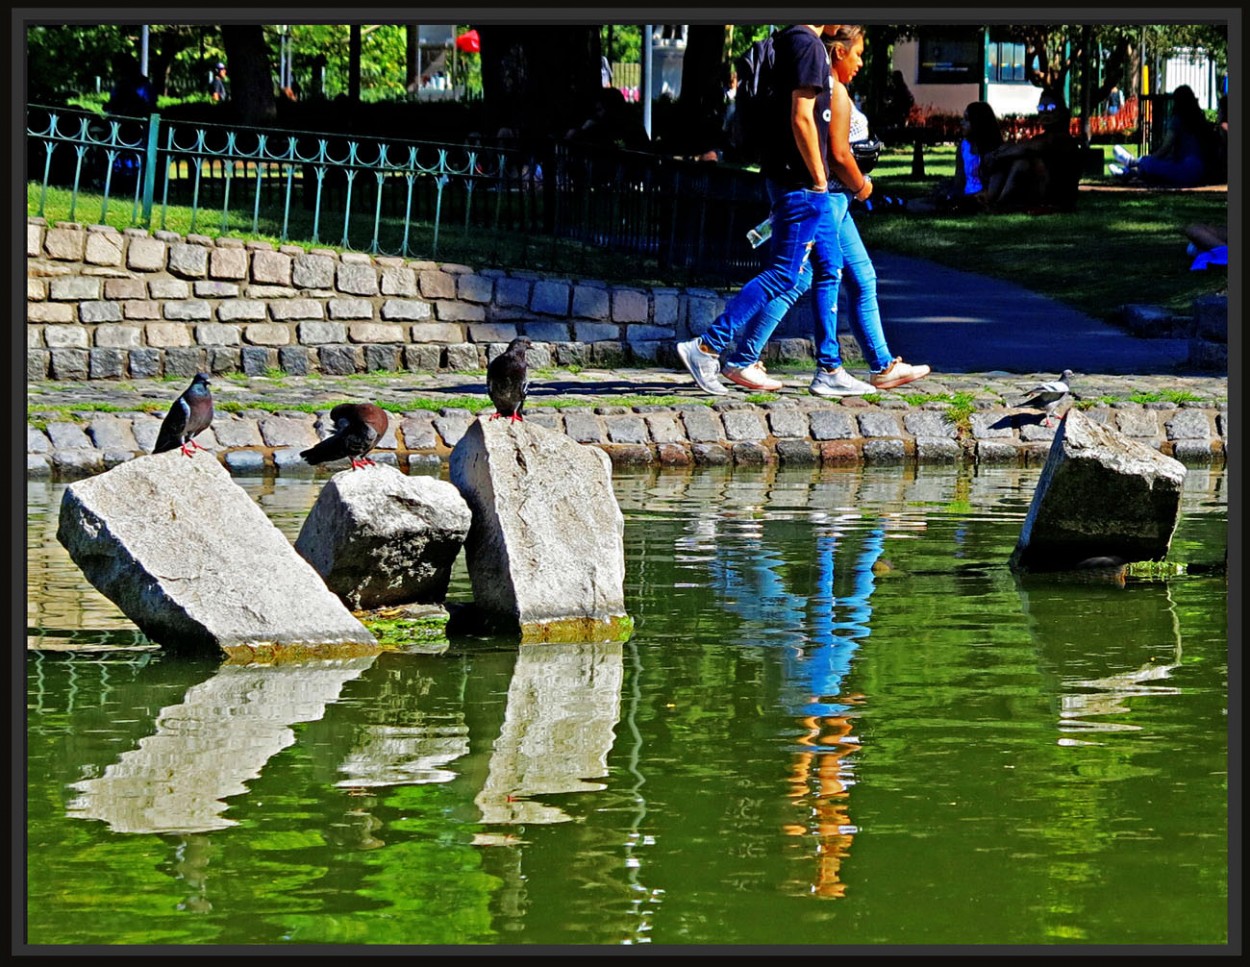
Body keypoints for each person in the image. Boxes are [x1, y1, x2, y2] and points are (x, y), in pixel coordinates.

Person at [721, 24, 930, 396]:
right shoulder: (832, 92)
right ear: (837, 54)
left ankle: (882, 364)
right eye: (858, 54)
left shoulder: (830, 88)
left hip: (835, 202)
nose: (861, 62)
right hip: (828, 199)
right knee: (796, 278)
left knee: (861, 277)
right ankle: (748, 357)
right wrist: (863, 186)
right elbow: (838, 154)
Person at [675, 24, 846, 396]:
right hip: (800, 182)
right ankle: (707, 346)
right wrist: (819, 178)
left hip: (784, 174)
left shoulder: (784, 41)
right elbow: (802, 116)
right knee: (783, 275)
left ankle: (829, 367)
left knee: (828, 267)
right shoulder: (809, 46)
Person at [976, 87, 1082, 212]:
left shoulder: (1062, 139)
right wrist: (999, 153)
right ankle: (990, 197)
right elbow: (1023, 146)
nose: (1046, 112)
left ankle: (999, 203)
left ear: (1061, 111)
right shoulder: (1042, 137)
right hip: (1039, 192)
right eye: (1041, 108)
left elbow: (1029, 147)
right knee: (1009, 158)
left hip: (1056, 197)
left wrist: (997, 155)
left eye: (1051, 108)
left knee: (1022, 162)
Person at [1109, 84, 1217, 188]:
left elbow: (1165, 148)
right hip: (1200, 172)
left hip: (1185, 170)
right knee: (1161, 168)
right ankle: (1129, 172)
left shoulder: (1177, 120)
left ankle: (1132, 163)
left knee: (1151, 165)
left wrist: (1148, 160)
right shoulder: (1201, 120)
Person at [105, 53, 157, 117]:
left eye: (117, 69)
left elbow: (150, 108)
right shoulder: (119, 85)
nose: (115, 72)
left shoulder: (144, 86)